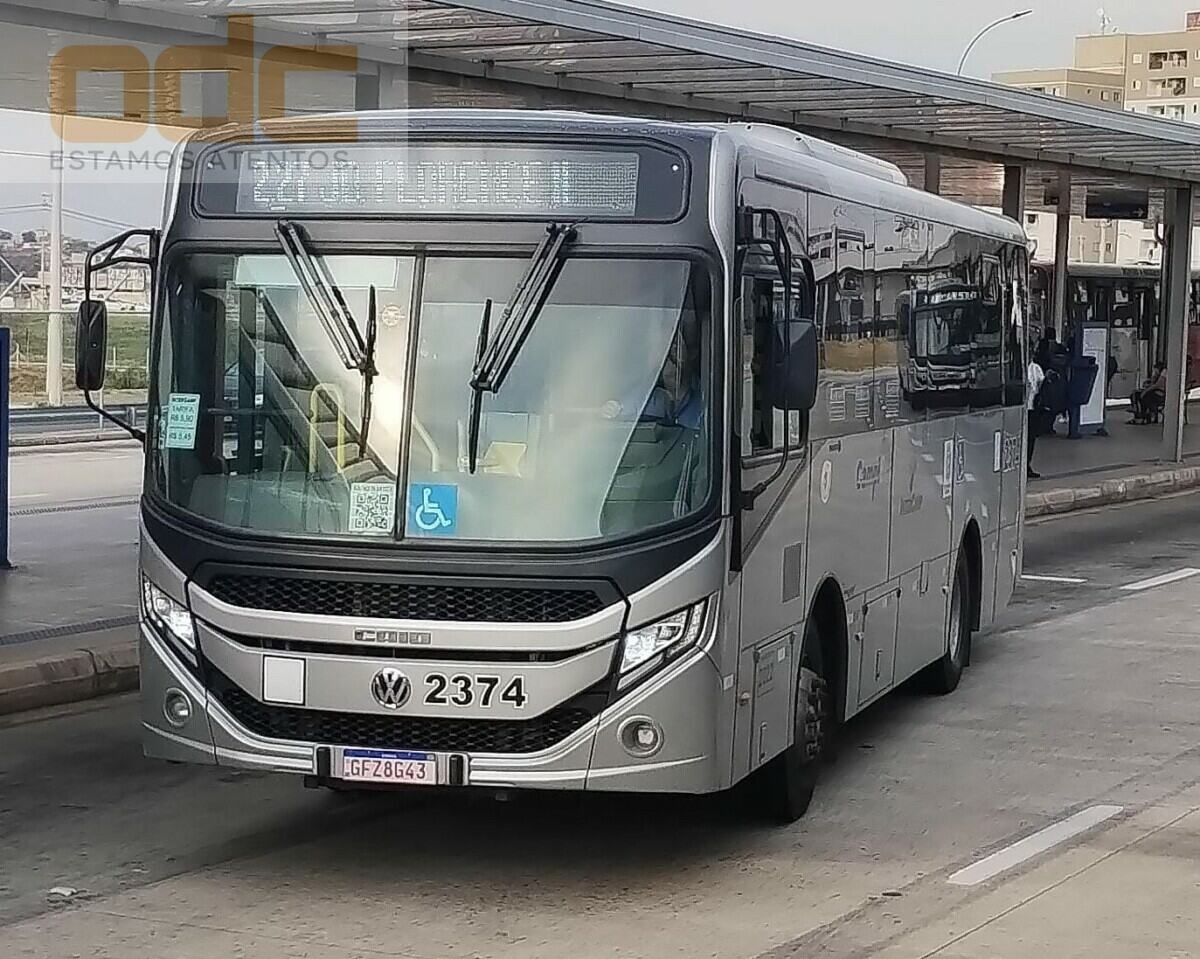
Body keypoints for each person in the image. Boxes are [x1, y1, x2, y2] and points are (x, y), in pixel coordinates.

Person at [1026, 354, 1046, 479]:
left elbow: (1041, 384)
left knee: (1030, 439)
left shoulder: (1035, 368)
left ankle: (1027, 464)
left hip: (1032, 408)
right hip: (1023, 408)